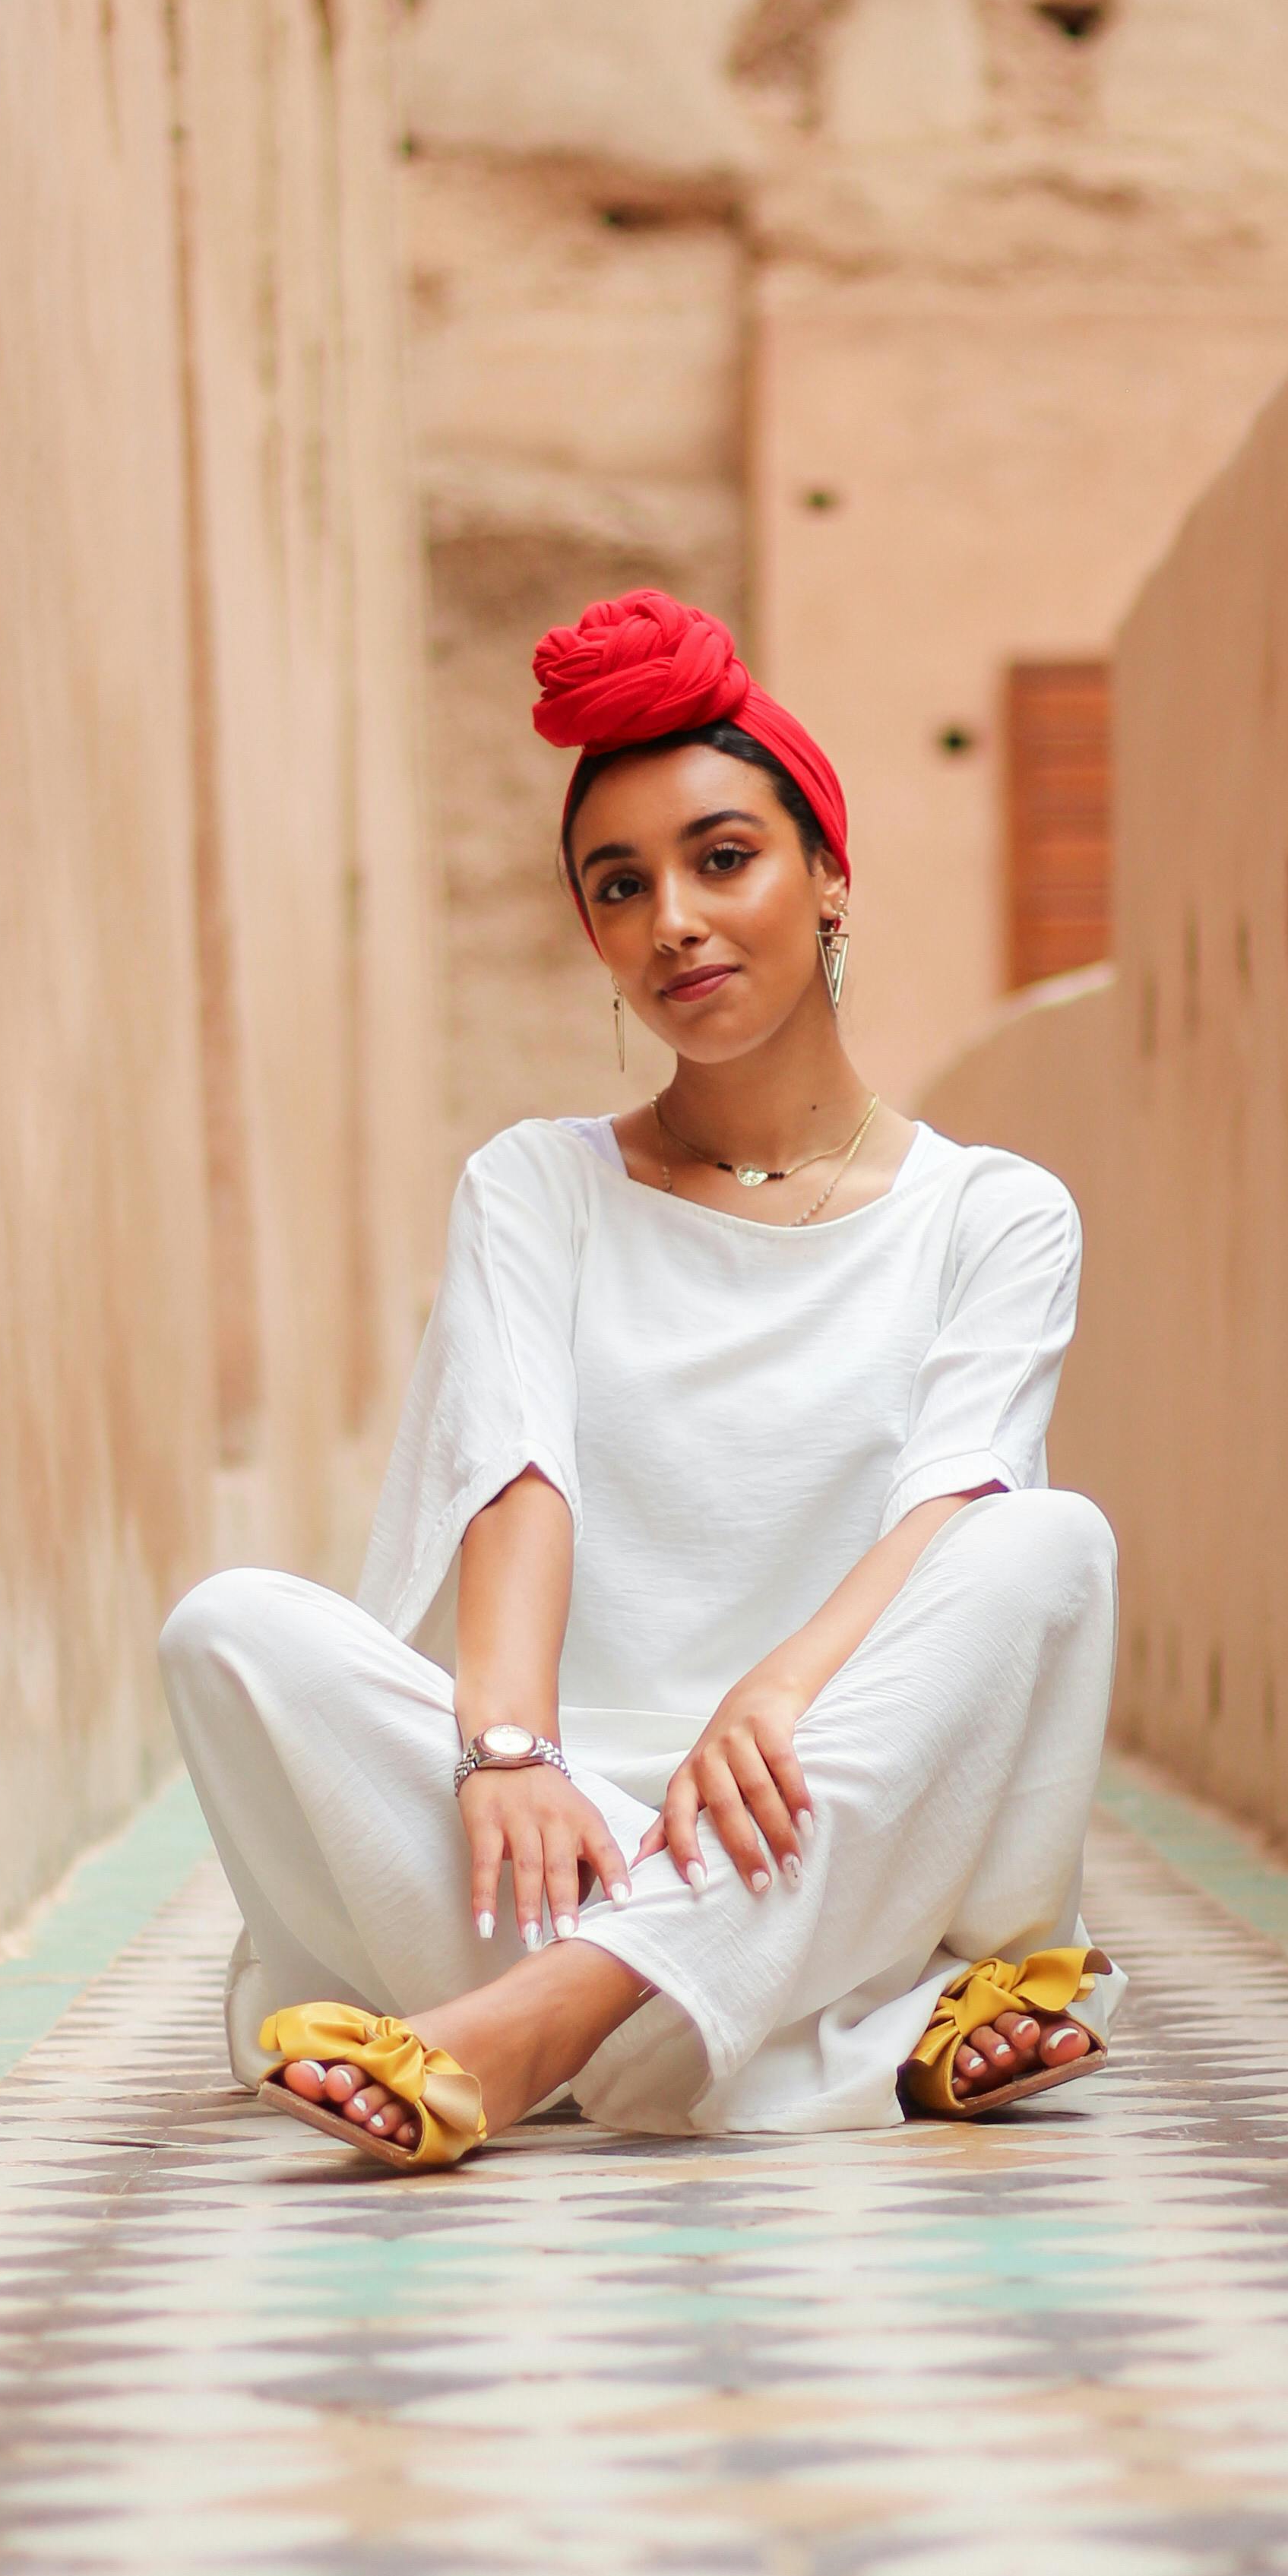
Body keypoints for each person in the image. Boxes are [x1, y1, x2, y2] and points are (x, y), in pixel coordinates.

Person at [157, 587, 1122, 2173]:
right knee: (229, 1634)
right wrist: (512, 1753)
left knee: (1044, 1541)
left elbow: (955, 1496)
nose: (674, 915)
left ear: (828, 877)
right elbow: (514, 1468)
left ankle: (539, 2031)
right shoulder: (536, 1187)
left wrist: (781, 1689)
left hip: (823, 1787)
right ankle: (823, 2027)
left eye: (723, 857)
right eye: (622, 885)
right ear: (595, 935)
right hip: (561, 1837)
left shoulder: (994, 1212)